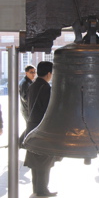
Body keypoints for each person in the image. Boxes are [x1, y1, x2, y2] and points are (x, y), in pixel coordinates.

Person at [24, 61, 57, 197]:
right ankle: (43, 190)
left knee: (35, 161)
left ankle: (37, 189)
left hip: (32, 127)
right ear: (49, 73)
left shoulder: (33, 86)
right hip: (42, 128)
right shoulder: (45, 88)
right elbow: (48, 110)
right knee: (44, 161)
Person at [19, 65, 36, 147]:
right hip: (27, 109)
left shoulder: (28, 82)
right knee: (30, 127)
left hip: (27, 109)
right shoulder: (25, 83)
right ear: (26, 73)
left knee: (30, 127)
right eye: (31, 72)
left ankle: (21, 143)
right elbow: (25, 97)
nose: (33, 74)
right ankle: (20, 143)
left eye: (34, 72)